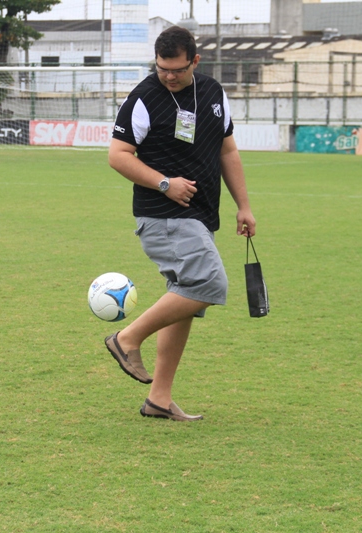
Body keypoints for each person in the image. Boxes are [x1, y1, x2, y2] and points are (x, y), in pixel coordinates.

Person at [106, 25, 256, 422]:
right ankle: (126, 338)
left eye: (177, 69)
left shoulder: (213, 93)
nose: (168, 76)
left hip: (201, 216)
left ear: (195, 61)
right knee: (209, 284)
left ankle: (159, 399)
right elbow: (118, 155)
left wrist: (244, 205)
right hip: (163, 215)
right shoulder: (142, 97)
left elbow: (228, 150)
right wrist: (164, 183)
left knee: (184, 300)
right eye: (161, 69)